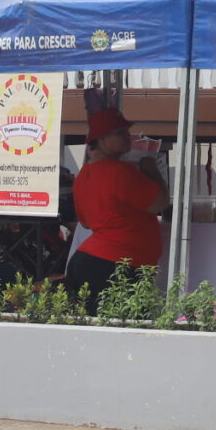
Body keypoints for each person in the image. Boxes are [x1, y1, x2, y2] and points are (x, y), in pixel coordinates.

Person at [64, 109, 170, 308]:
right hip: (116, 266)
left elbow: (86, 222)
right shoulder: (121, 172)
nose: (128, 138)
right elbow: (161, 202)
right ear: (101, 139)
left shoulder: (83, 176)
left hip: (89, 261)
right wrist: (151, 169)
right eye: (120, 133)